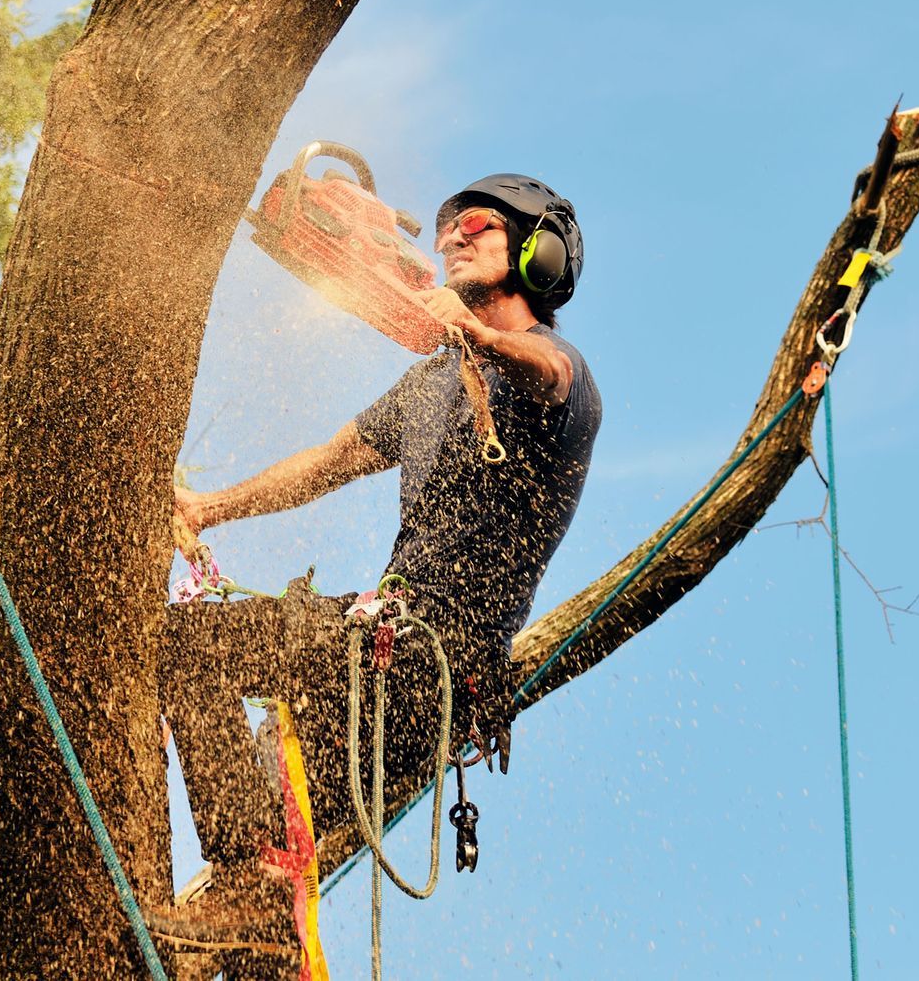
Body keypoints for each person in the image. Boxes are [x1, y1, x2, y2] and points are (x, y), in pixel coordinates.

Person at [159, 173, 601, 946]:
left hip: (435, 665)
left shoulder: (554, 372)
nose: (452, 237)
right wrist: (206, 508)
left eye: (477, 225)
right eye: (445, 230)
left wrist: (479, 336)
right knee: (274, 830)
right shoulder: (427, 382)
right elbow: (326, 462)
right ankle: (256, 898)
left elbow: (550, 373)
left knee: (187, 647)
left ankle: (248, 873)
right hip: (367, 656)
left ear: (541, 252)